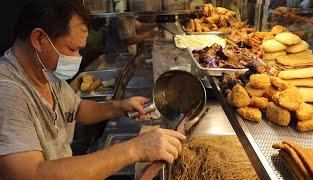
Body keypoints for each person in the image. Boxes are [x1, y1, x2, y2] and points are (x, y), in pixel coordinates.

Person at [0, 0, 185, 179]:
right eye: (72, 49)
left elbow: (76, 109)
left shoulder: (45, 73)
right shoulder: (8, 93)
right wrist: (136, 149)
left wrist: (117, 107)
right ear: (39, 39)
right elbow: (30, 174)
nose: (77, 58)